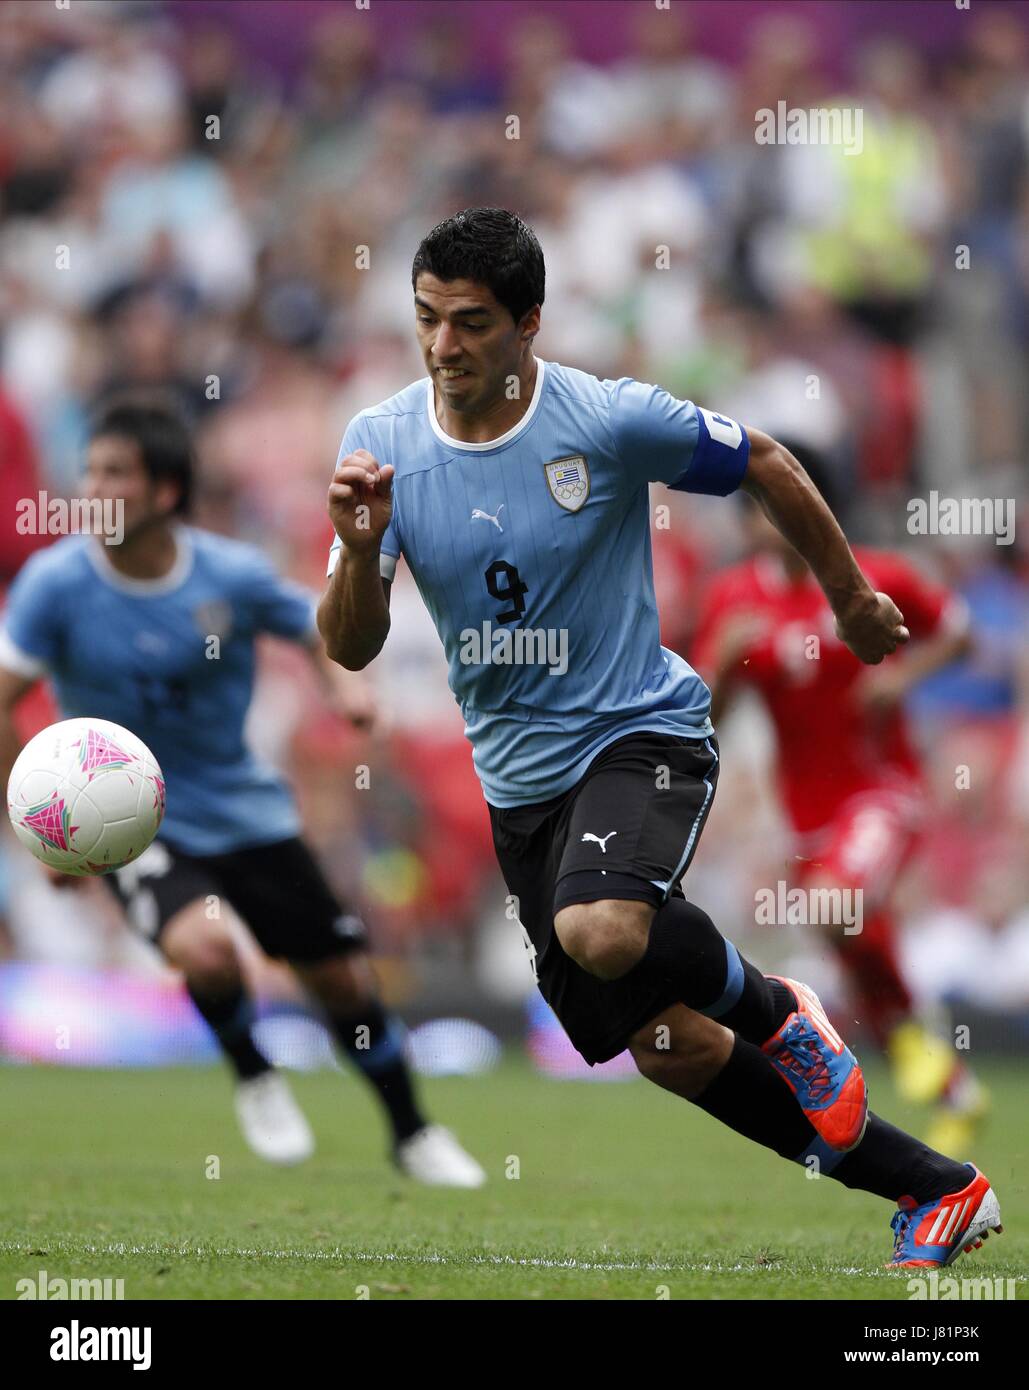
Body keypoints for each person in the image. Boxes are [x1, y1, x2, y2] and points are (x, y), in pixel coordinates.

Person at [317, 207, 1001, 1268]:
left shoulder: (604, 418)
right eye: (426, 319)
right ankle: (935, 1187)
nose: (444, 347)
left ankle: (779, 1009)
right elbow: (350, 647)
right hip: (520, 790)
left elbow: (766, 459)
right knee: (670, 1047)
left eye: (472, 323)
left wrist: (854, 597)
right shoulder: (384, 447)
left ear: (530, 323)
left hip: (641, 730)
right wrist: (361, 555)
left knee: (603, 929)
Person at [0, 400, 485, 1188]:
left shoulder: (228, 576)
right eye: (88, 470)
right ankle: (255, 1073)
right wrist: (38, 827)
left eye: (113, 472)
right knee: (205, 949)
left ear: (163, 492)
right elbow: (2, 694)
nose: (91, 487)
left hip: (244, 810)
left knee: (340, 983)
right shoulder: (55, 585)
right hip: (133, 821)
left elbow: (318, 629)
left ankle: (411, 1128)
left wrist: (345, 690)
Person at [690, 452, 989, 1156]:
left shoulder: (874, 579)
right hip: (802, 813)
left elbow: (961, 633)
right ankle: (947, 1082)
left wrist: (901, 678)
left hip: (882, 790)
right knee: (841, 934)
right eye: (756, 506)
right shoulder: (733, 599)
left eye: (779, 502)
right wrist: (723, 666)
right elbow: (704, 718)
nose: (766, 519)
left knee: (836, 905)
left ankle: (916, 1044)